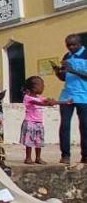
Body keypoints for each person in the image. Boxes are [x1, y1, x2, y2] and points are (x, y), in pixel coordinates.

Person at [21, 75, 70, 164]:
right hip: (30, 123)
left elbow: (49, 101)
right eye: (40, 85)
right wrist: (49, 103)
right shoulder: (27, 98)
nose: (43, 86)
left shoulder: (40, 97)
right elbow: (40, 103)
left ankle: (38, 158)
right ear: (32, 87)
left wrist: (64, 102)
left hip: (39, 123)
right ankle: (28, 158)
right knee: (29, 142)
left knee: (38, 142)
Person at [54, 33, 87, 164]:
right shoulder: (67, 56)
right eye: (68, 45)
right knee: (65, 126)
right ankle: (65, 155)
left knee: (84, 126)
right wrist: (58, 72)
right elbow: (64, 78)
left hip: (84, 96)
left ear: (80, 44)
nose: (71, 47)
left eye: (73, 45)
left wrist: (73, 70)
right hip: (67, 95)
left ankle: (85, 155)